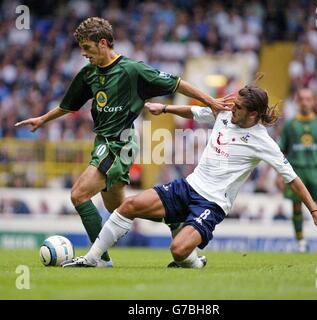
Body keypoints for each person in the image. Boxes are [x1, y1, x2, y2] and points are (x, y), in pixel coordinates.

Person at [14, 17, 229, 267]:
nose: (84, 54)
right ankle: (174, 218)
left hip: (119, 145)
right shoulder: (89, 74)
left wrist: (210, 102)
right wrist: (43, 118)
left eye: (88, 48)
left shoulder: (132, 70)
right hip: (102, 144)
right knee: (124, 209)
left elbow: (178, 83)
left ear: (103, 43)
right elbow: (68, 106)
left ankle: (99, 259)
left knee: (79, 195)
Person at [62, 84, 317, 268]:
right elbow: (196, 111)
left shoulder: (263, 141)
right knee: (128, 206)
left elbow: (293, 178)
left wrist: (315, 213)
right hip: (188, 186)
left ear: (253, 114)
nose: (232, 108)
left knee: (178, 251)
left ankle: (194, 260)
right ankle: (94, 259)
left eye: (239, 106)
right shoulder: (226, 114)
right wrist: (165, 108)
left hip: (212, 204)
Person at [276, 88, 317, 253]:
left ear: (313, 102)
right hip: (296, 171)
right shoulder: (290, 125)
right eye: (302, 99)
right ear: (297, 101)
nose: (305, 102)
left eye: (308, 99)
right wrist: (278, 175)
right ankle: (301, 243)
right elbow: (281, 151)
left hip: (315, 171)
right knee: (296, 207)